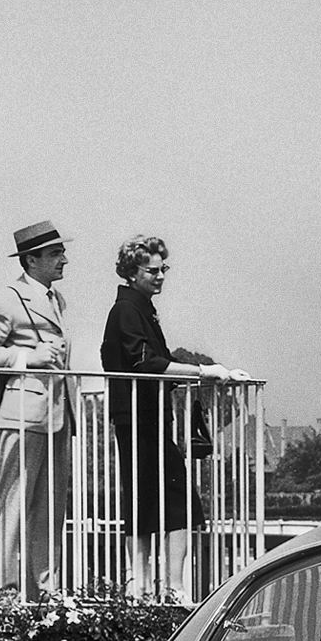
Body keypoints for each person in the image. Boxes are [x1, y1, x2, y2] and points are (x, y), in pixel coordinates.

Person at [100, 234, 237, 600]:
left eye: (164, 270)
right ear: (133, 272)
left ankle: (149, 586)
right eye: (153, 270)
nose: (160, 276)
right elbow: (146, 362)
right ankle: (161, 587)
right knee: (168, 499)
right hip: (138, 417)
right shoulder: (128, 311)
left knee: (154, 499)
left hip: (147, 416)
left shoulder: (139, 308)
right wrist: (203, 371)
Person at [0, 221, 74, 592]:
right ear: (31, 259)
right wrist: (28, 358)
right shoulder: (7, 298)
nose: (64, 260)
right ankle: (3, 591)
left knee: (49, 509)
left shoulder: (56, 299)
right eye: (56, 253)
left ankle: (44, 590)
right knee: (14, 505)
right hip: (22, 415)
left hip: (58, 415)